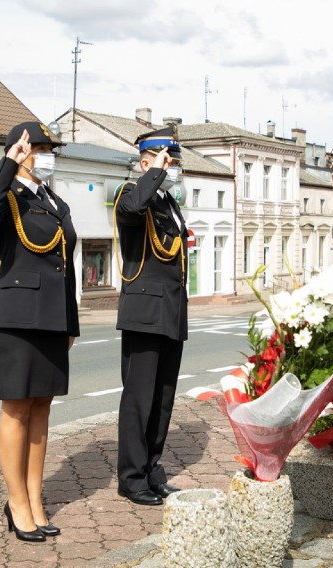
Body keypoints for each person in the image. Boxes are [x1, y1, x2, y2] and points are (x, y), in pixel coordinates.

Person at [0, 121, 79, 541]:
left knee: (42, 408)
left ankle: (35, 498)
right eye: (43, 148)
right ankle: (16, 503)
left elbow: (64, 267)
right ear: (24, 151)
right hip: (16, 318)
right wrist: (7, 164)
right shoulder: (7, 196)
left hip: (52, 318)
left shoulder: (54, 201)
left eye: (52, 149)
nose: (49, 155)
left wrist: (71, 321)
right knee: (16, 408)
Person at [114, 125, 188, 506]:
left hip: (171, 311)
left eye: (173, 162)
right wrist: (154, 173)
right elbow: (131, 210)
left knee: (162, 398)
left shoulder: (168, 204)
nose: (172, 167)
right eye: (165, 160)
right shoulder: (131, 193)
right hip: (144, 311)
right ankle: (130, 476)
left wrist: (161, 180)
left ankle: (151, 469)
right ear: (145, 162)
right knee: (139, 398)